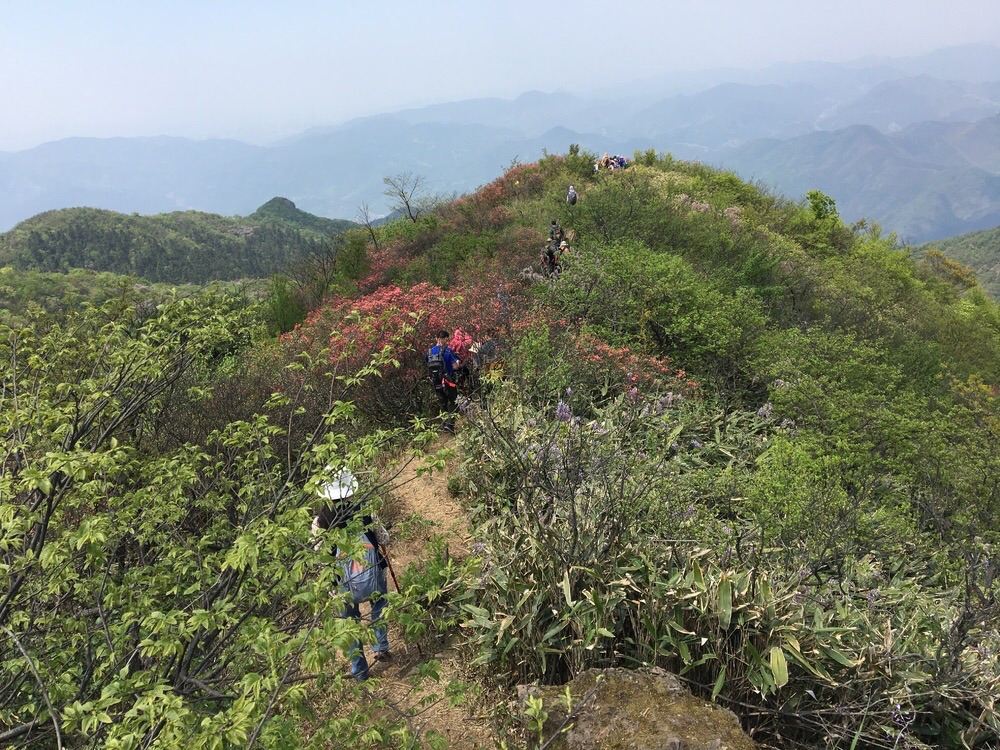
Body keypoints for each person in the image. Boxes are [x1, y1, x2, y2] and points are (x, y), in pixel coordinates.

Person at [312, 468, 390, 682]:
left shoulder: (320, 523)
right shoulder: (365, 511)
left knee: (350, 624)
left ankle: (360, 672)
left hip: (341, 584)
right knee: (381, 602)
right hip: (371, 573)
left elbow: (320, 556)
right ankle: (380, 645)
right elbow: (383, 538)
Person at [426, 330, 461, 432]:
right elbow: (455, 366)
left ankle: (444, 424)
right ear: (446, 338)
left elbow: (427, 363)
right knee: (454, 402)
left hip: (435, 381)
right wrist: (458, 362)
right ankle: (449, 425)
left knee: (443, 403)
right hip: (448, 380)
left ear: (436, 338)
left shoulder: (429, 352)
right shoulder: (448, 351)